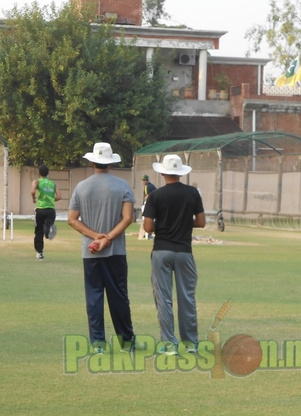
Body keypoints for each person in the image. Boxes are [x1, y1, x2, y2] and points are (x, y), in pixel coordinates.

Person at [67, 142, 135, 348]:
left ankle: (98, 343)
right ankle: (126, 341)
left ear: (91, 161)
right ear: (110, 163)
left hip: (91, 252)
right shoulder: (122, 185)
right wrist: (108, 238)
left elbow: (72, 219)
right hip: (116, 252)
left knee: (94, 298)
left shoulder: (81, 186)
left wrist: (96, 237)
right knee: (119, 297)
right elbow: (128, 218)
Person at [143, 154, 205, 353]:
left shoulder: (155, 196)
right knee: (187, 297)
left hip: (162, 249)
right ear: (181, 173)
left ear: (162, 172)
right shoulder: (193, 193)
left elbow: (147, 227)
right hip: (184, 251)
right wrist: (185, 223)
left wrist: (163, 224)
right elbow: (201, 222)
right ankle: (191, 343)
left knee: (164, 297)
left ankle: (169, 343)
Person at [31, 165, 62, 261]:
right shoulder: (53, 184)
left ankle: (40, 253)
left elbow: (32, 191)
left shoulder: (37, 181)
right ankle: (48, 232)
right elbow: (59, 196)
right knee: (48, 225)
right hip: (51, 210)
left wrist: (34, 199)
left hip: (40, 209)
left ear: (39, 173)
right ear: (48, 173)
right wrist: (52, 201)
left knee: (38, 231)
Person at [138, 174, 156, 240]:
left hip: (148, 204)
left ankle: (146, 235)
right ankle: (146, 235)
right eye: (142, 180)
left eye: (144, 180)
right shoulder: (152, 186)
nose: (143, 181)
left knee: (146, 220)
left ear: (147, 180)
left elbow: (147, 196)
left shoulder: (147, 186)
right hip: (153, 204)